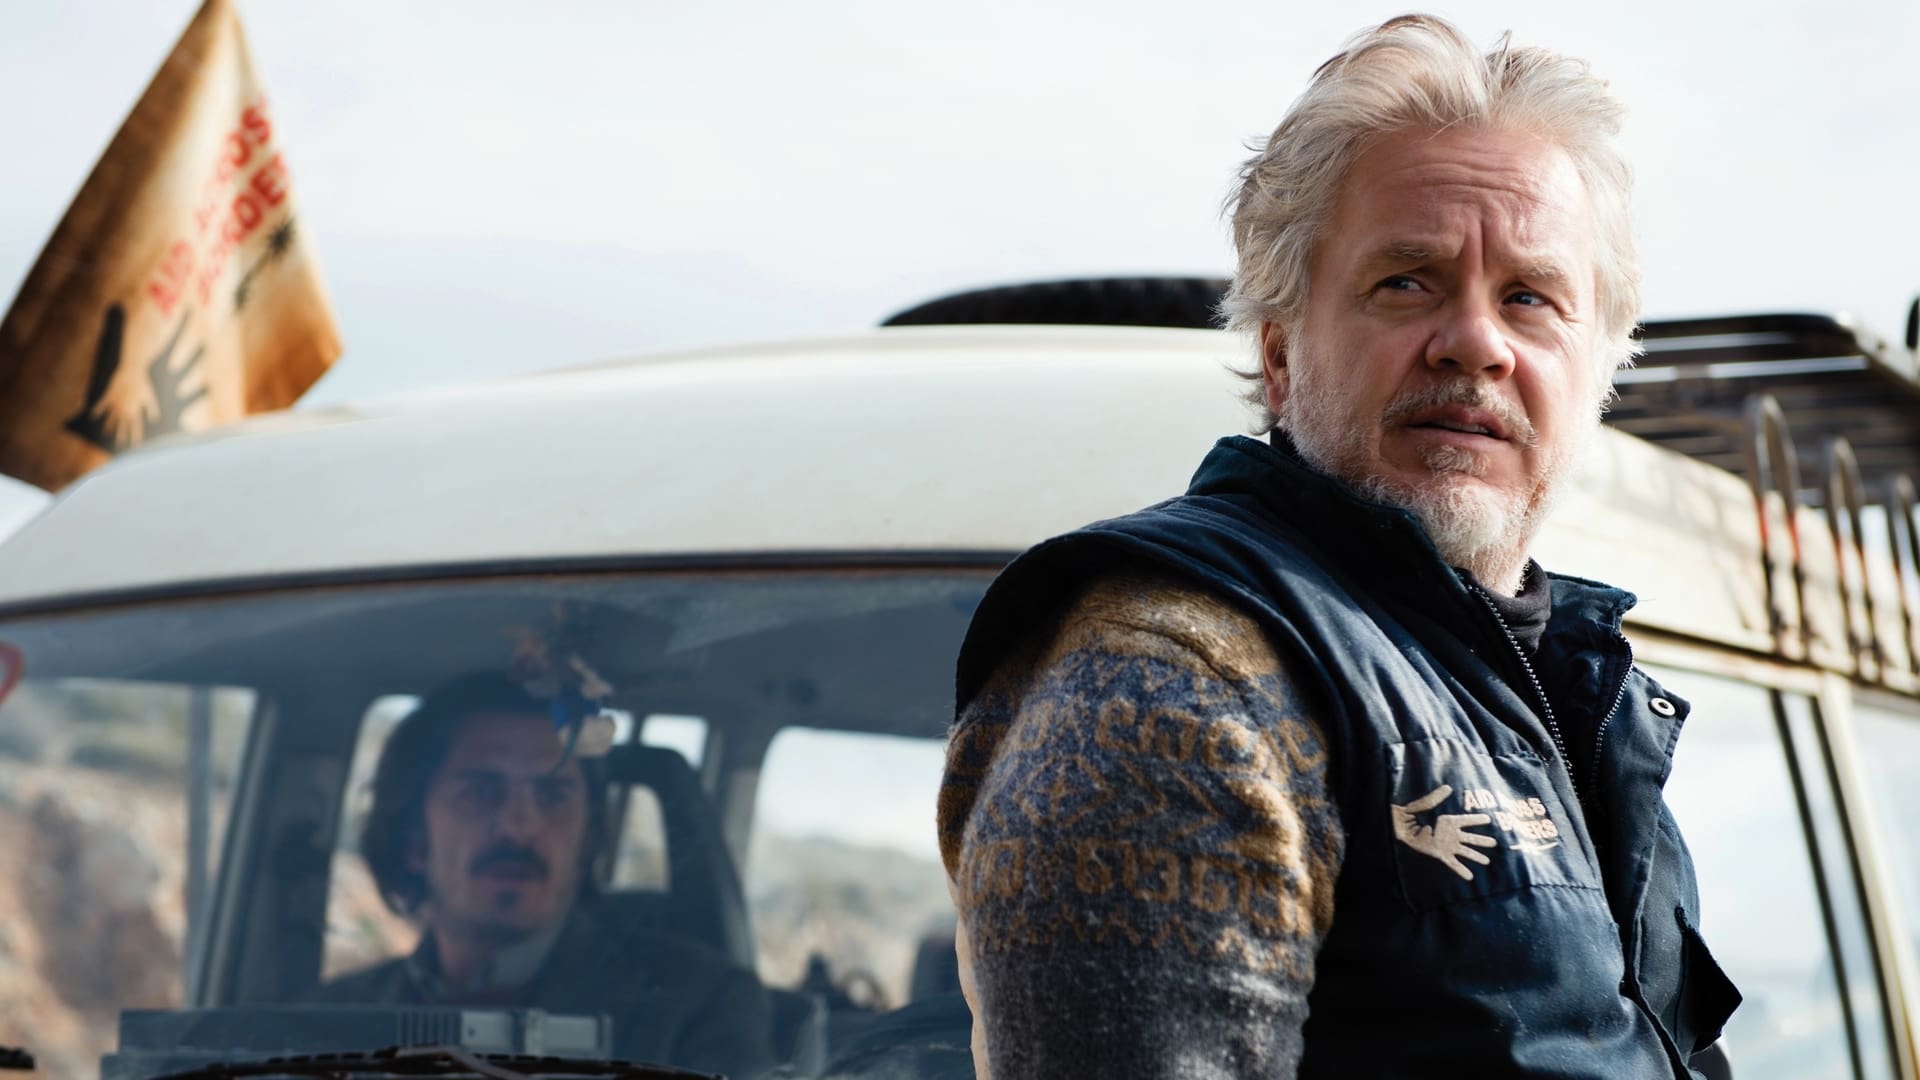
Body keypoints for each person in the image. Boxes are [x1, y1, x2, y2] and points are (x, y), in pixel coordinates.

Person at [937, 14, 1740, 1079]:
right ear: (1279, 355)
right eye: (1407, 280)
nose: (1476, 342)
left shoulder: (1573, 686)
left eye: (1530, 297)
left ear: (1598, 368)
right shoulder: (1175, 677)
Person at [314, 672, 776, 1077]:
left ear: (587, 839)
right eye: (482, 791)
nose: (520, 827)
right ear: (413, 838)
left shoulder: (696, 1009)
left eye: (553, 795)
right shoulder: (331, 1018)